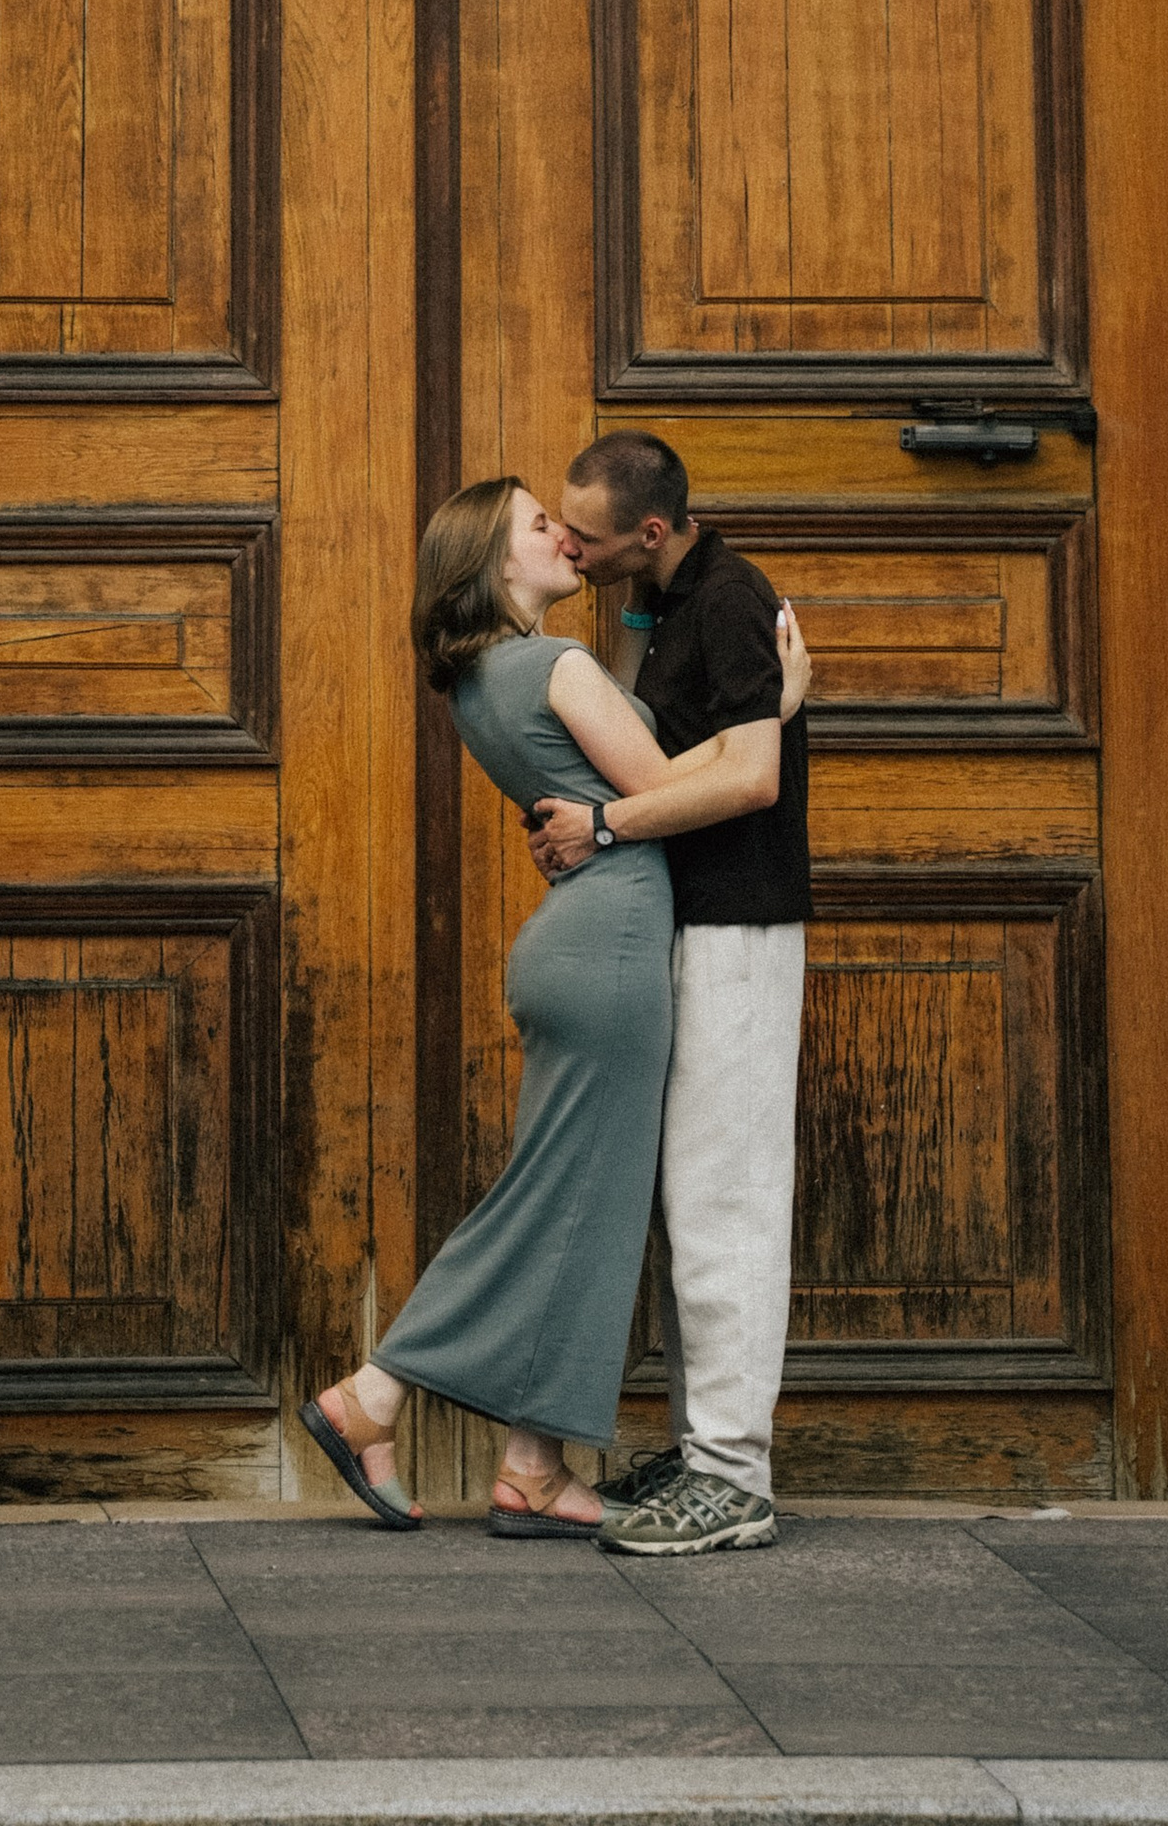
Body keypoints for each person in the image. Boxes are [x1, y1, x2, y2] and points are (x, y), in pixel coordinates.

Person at [305, 475, 803, 1539]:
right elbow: (667, 788)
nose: (564, 539)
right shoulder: (555, 664)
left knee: (591, 1205)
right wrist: (778, 704)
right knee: (556, 1202)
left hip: (577, 941)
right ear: (494, 564)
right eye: (540, 527)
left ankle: (531, 1466)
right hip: (615, 940)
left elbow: (615, 760)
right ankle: (373, 1396)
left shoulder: (484, 676)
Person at [527, 430, 811, 1557]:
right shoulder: (669, 603)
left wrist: (600, 827)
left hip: (739, 923)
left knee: (726, 1199)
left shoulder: (733, 598)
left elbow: (748, 778)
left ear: (648, 531)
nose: (568, 548)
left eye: (584, 537)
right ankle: (705, 1457)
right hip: (695, 921)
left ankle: (734, 1481)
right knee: (695, 1200)